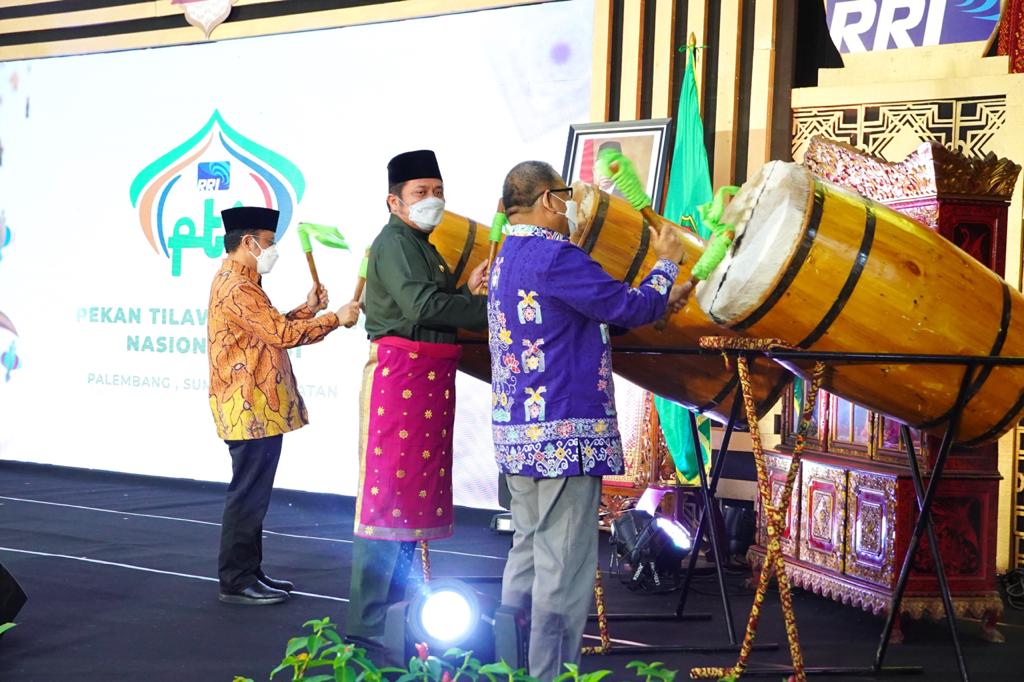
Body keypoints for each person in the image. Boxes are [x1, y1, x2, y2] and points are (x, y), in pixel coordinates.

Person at [488, 161, 689, 680]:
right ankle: (551, 674)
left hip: (520, 435)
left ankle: (512, 667)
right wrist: (665, 266)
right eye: (566, 196)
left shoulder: (505, 257)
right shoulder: (556, 255)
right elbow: (624, 305)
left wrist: (656, 303)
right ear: (549, 201)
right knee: (565, 565)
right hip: (565, 433)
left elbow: (582, 320)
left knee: (528, 553)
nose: (571, 206)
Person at [345, 150, 489, 647]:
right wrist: (482, 306)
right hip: (401, 381)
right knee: (386, 501)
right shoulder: (393, 242)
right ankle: (367, 622)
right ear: (394, 201)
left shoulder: (420, 243)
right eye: (420, 193)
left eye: (438, 190)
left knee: (409, 502)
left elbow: (431, 295)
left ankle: (396, 611)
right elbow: (422, 305)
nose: (433, 200)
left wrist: (463, 287)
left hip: (423, 381)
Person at [208, 206, 360, 605]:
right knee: (248, 495)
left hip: (257, 408)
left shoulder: (244, 282)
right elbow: (280, 334)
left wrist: (308, 309)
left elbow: (267, 327)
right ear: (248, 242)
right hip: (248, 408)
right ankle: (236, 579)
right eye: (269, 243)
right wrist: (333, 318)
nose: (273, 250)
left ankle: (250, 571)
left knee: (253, 494)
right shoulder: (235, 286)